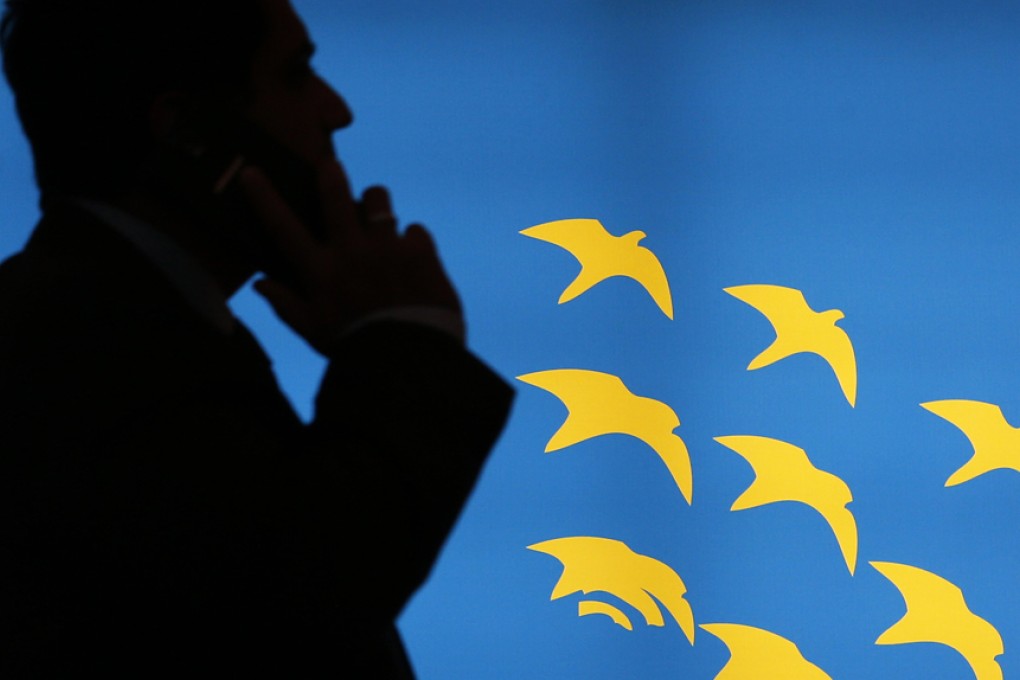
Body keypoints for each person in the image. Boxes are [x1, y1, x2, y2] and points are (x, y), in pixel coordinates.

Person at [0, 0, 514, 676]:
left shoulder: (106, 316)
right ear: (190, 133)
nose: (338, 110)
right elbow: (300, 606)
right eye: (297, 74)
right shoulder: (81, 346)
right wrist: (404, 337)